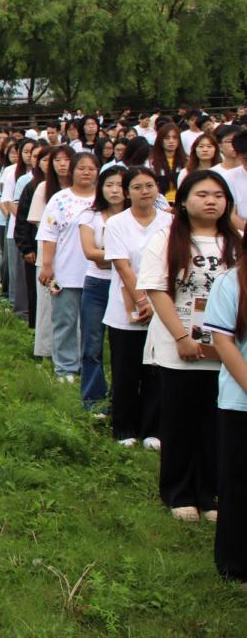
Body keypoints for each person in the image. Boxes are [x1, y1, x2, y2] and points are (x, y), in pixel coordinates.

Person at [138, 170, 237, 523]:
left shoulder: (236, 241)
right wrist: (181, 337)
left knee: (215, 423)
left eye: (219, 196)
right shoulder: (167, 237)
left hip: (225, 349)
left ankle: (210, 494)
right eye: (202, 195)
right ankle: (178, 492)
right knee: (180, 420)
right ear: (183, 201)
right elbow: (156, 289)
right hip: (178, 344)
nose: (211, 201)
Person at [103, 167, 170, 448]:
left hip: (163, 305)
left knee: (156, 369)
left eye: (150, 186)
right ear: (127, 192)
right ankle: (124, 427)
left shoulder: (170, 222)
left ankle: (152, 429)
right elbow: (123, 266)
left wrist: (156, 304)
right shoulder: (117, 223)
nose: (145, 192)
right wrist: (143, 302)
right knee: (126, 370)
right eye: (138, 187)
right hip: (125, 306)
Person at [205, 246, 247, 587]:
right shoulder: (230, 282)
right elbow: (224, 342)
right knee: (239, 482)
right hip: (240, 401)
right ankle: (237, 565)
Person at [37, 149, 97, 383]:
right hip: (66, 271)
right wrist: (47, 265)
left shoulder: (102, 199)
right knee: (65, 320)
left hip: (97, 272)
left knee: (92, 324)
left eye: (91, 169)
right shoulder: (60, 199)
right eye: (81, 168)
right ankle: (65, 367)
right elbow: (49, 234)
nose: (86, 173)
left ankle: (89, 364)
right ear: (72, 171)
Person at [76, 166, 125, 411]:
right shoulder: (90, 216)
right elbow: (90, 253)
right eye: (109, 185)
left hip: (127, 285)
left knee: (123, 346)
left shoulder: (133, 217)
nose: (115, 190)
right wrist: (121, 256)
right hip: (97, 284)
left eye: (120, 185)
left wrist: (107, 256)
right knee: (92, 344)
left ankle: (121, 398)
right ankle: (93, 401)